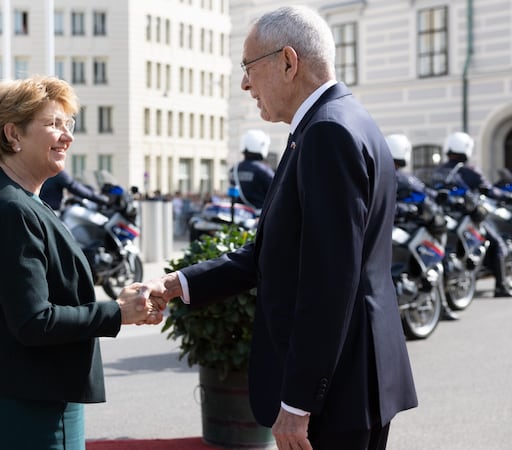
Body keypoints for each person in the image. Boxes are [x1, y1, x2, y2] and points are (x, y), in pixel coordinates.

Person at [146, 6, 417, 449]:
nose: (245, 84)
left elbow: (329, 283)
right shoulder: (336, 121)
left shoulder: (327, 133)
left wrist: (298, 403)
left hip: (336, 390)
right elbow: (274, 252)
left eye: (249, 68)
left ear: (288, 62)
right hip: (351, 378)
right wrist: (178, 284)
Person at [0, 75, 162, 450]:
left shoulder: (5, 195)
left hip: (15, 395)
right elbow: (33, 321)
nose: (67, 136)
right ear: (14, 135)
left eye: (68, 124)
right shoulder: (11, 208)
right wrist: (118, 312)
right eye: (53, 124)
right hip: (29, 406)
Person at [431, 131, 512, 297]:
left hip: (444, 216)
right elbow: (489, 190)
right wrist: (507, 196)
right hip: (466, 217)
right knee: (497, 244)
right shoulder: (469, 171)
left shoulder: (438, 171)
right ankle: (501, 286)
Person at [386, 134, 458, 320]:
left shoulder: (379, 174)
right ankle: (442, 307)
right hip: (402, 226)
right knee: (430, 259)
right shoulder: (403, 178)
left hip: (383, 228)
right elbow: (425, 194)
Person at [231, 129, 275, 209]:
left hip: (239, 215)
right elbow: (276, 192)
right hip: (259, 216)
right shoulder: (263, 170)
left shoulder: (234, 169)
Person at [39, 169, 108, 211]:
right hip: (51, 213)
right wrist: (103, 199)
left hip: (39, 211)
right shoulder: (54, 171)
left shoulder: (37, 167)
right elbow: (74, 187)